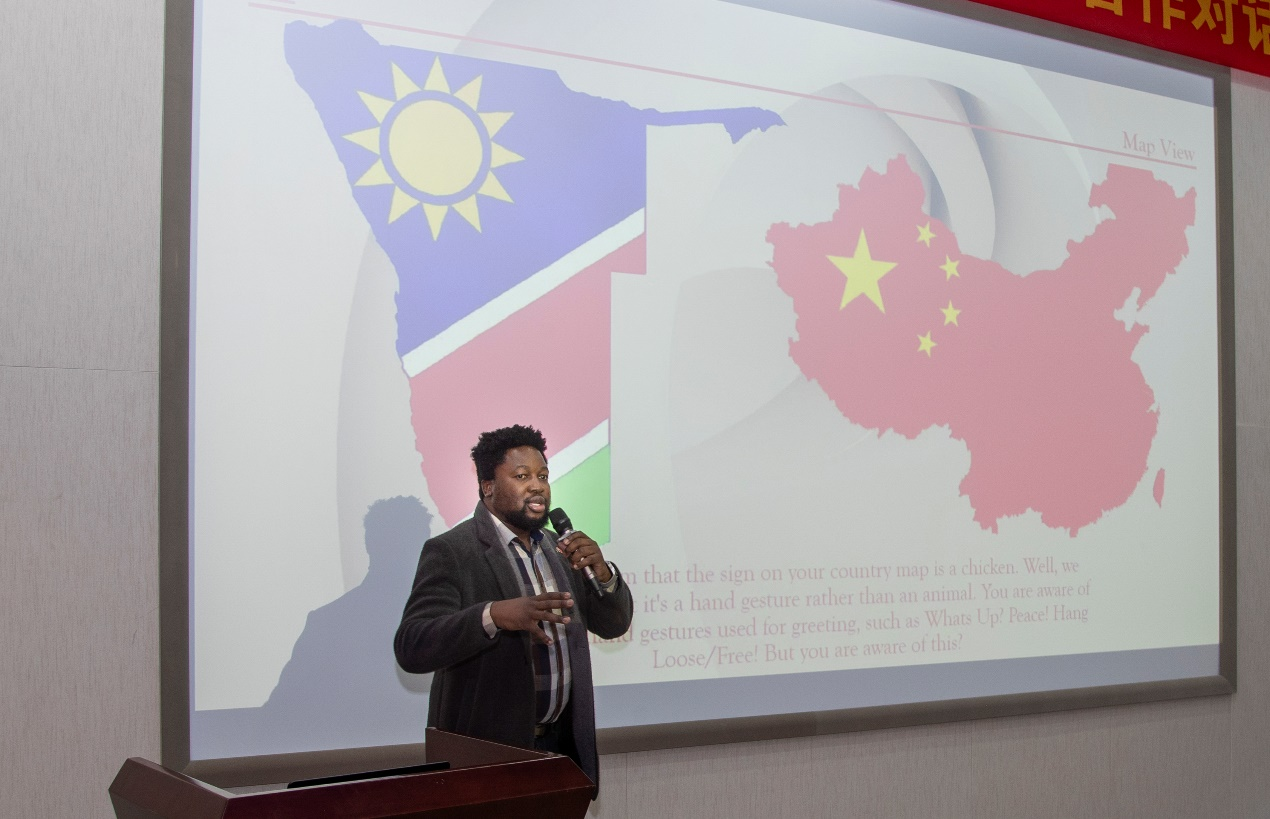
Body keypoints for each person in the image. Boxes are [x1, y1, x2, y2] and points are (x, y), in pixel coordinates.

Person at [394, 424, 633, 795]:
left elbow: (613, 625)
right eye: (522, 476)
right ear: (488, 486)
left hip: (560, 750)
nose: (537, 486)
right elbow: (413, 646)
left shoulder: (559, 549)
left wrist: (603, 575)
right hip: (488, 756)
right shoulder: (453, 551)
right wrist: (492, 616)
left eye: (543, 476)